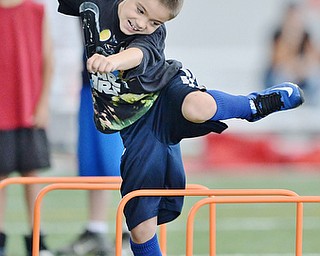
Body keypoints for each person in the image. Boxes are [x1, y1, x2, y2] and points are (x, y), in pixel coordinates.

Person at [57, 0, 305, 255]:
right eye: (140, 11)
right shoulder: (95, 5)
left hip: (165, 92)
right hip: (137, 126)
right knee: (140, 228)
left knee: (198, 107)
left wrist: (115, 61)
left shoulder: (151, 36)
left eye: (155, 22)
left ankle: (252, 105)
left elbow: (138, 53)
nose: (142, 24)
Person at [56, 52, 129, 256]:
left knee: (121, 164)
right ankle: (96, 230)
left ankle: (130, 231)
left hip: (120, 83)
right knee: (92, 164)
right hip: (90, 80)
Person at [0, 0, 54, 255]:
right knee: (1, 179)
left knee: (31, 175)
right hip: (2, 111)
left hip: (28, 109)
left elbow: (48, 59)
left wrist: (42, 104)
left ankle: (37, 241)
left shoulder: (35, 9)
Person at [264, 2, 320, 105]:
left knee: (314, 78)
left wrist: (303, 67)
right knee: (281, 76)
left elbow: (314, 57)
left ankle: (311, 105)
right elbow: (277, 60)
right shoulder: (278, 34)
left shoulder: (305, 35)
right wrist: (290, 38)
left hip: (300, 73)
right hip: (282, 74)